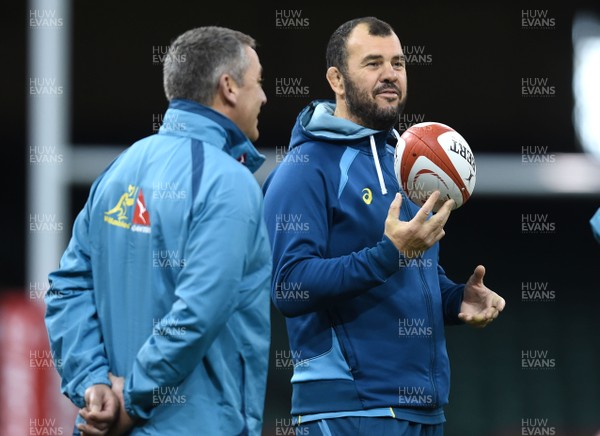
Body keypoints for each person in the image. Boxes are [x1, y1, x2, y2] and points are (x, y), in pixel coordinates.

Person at [262, 16, 505, 435]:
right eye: (373, 63)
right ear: (336, 79)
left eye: (398, 63)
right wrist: (390, 254)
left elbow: (408, 271)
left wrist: (454, 299)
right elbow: (288, 285)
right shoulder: (305, 168)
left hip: (424, 411)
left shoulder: (407, 164)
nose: (390, 74)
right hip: (349, 412)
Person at [44, 26, 272, 435]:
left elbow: (66, 288)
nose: (265, 97)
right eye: (258, 83)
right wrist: (132, 401)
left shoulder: (120, 169)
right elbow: (198, 312)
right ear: (229, 88)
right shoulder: (229, 183)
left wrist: (93, 387)